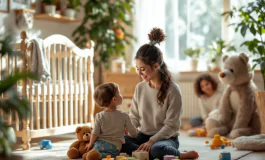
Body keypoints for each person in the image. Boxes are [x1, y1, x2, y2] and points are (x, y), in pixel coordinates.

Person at [121, 28, 199, 160]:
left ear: (156, 66)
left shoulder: (173, 90)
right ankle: (145, 153)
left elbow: (172, 125)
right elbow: (134, 117)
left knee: (158, 149)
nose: (139, 74)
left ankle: (180, 155)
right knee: (120, 141)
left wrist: (152, 141)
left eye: (143, 69)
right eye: (137, 69)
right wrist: (128, 128)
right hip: (142, 136)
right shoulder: (140, 88)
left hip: (166, 138)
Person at [84, 83, 138, 158]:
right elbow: (133, 133)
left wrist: (90, 144)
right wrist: (134, 132)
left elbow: (95, 133)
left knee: (94, 151)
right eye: (119, 93)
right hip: (114, 147)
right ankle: (98, 156)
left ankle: (91, 155)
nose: (121, 95)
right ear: (114, 99)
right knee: (111, 156)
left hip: (99, 144)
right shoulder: (124, 115)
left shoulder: (99, 116)